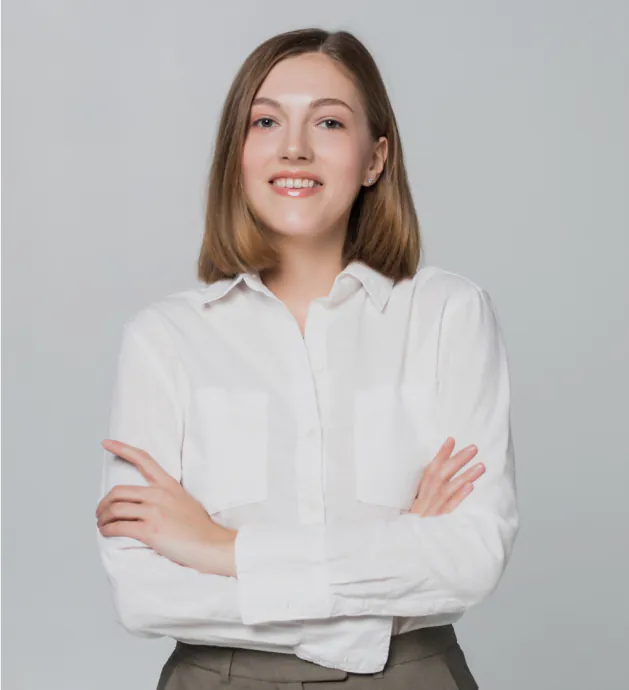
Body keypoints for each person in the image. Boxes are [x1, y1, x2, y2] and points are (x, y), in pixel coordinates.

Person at [95, 27, 518, 690]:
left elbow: (471, 557)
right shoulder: (164, 338)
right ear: (237, 154)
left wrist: (223, 548)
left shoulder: (448, 315)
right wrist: (385, 574)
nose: (293, 147)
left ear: (375, 159)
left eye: (328, 122)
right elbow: (145, 593)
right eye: (265, 121)